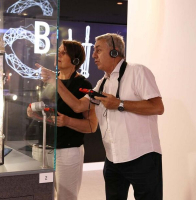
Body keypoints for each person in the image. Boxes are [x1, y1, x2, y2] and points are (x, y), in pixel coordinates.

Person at [41, 33, 164, 200]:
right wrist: (56, 82)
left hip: (142, 157)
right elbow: (78, 106)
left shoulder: (137, 71)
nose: (93, 55)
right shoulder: (102, 83)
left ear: (114, 52)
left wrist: (120, 104)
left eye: (98, 50)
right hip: (113, 159)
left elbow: (157, 107)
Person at [27, 40, 98, 200]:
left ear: (75, 60)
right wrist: (34, 113)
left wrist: (68, 122)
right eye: (58, 51)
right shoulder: (48, 80)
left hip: (66, 151)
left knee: (66, 197)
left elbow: (91, 125)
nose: (58, 54)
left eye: (63, 52)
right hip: (41, 146)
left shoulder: (83, 85)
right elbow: (46, 112)